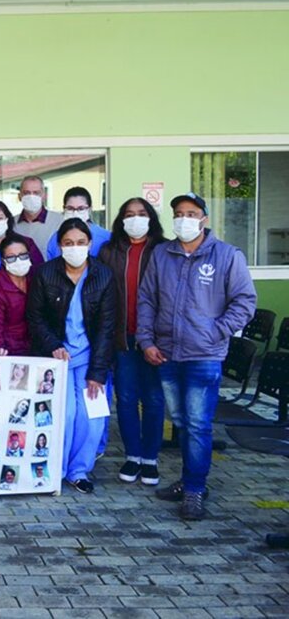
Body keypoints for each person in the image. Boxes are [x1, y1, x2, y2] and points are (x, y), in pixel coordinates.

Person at [137, 192, 256, 520]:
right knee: (181, 422)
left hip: (204, 356)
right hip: (167, 353)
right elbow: (146, 299)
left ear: (204, 218)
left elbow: (245, 301)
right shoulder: (162, 254)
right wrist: (146, 340)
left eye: (191, 213)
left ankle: (193, 489)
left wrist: (215, 331)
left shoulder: (227, 255)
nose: (184, 219)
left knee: (198, 425)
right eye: (178, 213)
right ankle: (191, 480)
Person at [27, 218, 117, 495]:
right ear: (59, 246)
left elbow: (107, 328)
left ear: (90, 244)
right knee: (64, 415)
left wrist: (98, 373)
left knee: (91, 419)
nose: (74, 248)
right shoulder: (45, 274)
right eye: (68, 243)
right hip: (57, 359)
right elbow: (36, 317)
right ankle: (56, 470)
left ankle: (79, 471)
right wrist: (53, 344)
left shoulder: (103, 275)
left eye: (80, 243)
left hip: (91, 357)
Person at [99, 197, 166, 486]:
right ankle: (132, 456)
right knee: (125, 399)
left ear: (150, 217)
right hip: (121, 336)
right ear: (120, 219)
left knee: (153, 398)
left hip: (154, 337)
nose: (135, 219)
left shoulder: (164, 250)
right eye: (129, 214)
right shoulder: (109, 250)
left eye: (141, 213)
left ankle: (150, 458)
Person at [0, 235, 35, 357]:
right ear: (3, 261)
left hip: (35, 347)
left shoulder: (35, 280)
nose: (18, 261)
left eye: (23, 255)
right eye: (11, 258)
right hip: (9, 352)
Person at [45, 187, 113, 260]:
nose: (75, 212)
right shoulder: (55, 239)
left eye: (81, 208)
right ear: (64, 209)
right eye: (70, 208)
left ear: (90, 209)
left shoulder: (106, 238)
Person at [12, 175, 64, 258]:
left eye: (36, 193)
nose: (31, 196)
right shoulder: (11, 223)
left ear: (44, 196)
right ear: (19, 196)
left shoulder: (59, 221)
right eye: (26, 193)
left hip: (50, 270)